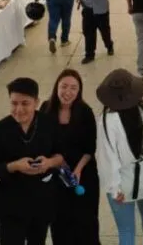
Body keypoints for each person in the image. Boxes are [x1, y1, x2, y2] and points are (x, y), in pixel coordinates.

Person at [0, 77, 64, 245]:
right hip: (11, 204)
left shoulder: (50, 125)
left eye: (25, 103)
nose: (18, 109)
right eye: (14, 103)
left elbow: (62, 155)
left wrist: (49, 163)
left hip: (42, 200)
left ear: (36, 102)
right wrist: (13, 166)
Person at [96, 69, 143, 245]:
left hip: (122, 185)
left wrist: (114, 188)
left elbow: (106, 160)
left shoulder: (106, 121)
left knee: (126, 230)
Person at [40, 70, 100, 244]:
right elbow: (42, 142)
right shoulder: (45, 109)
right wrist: (55, 164)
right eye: (64, 86)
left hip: (83, 174)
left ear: (79, 91)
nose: (68, 92)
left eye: (74, 88)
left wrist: (78, 170)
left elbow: (90, 148)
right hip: (56, 175)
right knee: (59, 224)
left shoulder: (85, 112)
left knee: (86, 224)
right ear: (56, 87)